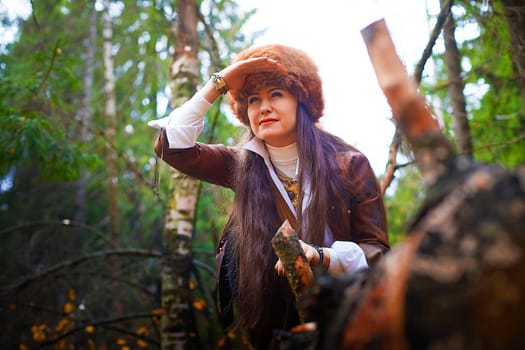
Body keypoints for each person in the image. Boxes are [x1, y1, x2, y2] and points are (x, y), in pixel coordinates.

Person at [148, 44, 389, 349]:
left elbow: (377, 252)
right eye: (252, 100)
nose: (263, 107)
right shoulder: (240, 163)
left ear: (301, 100)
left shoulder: (349, 164)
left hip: (344, 319)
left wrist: (321, 255)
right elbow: (171, 146)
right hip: (271, 328)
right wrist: (218, 82)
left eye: (276, 94)